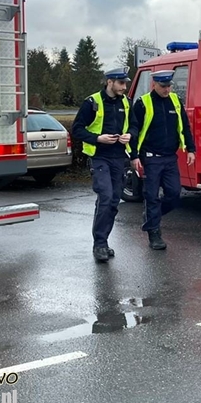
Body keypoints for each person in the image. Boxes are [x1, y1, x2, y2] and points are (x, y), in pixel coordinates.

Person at [71, 67, 135, 263]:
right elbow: (77, 129)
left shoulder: (126, 102)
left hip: (119, 158)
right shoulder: (92, 102)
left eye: (125, 83)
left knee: (113, 200)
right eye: (121, 83)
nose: (124, 87)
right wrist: (98, 138)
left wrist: (130, 135)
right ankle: (99, 243)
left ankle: (103, 242)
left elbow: (134, 126)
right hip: (99, 157)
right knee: (106, 197)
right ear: (110, 82)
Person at [128, 70, 196, 250]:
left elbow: (185, 126)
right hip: (151, 158)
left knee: (174, 194)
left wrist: (191, 149)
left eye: (169, 86)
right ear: (154, 85)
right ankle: (154, 234)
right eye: (163, 86)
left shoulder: (175, 101)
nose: (167, 89)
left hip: (170, 158)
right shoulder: (143, 103)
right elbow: (134, 130)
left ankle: (152, 217)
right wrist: (134, 155)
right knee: (151, 196)